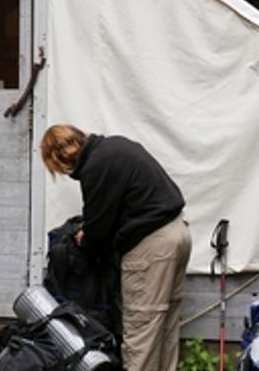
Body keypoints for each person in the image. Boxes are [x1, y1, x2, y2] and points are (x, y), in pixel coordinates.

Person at [40, 124, 191, 371]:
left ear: (61, 158)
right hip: (178, 232)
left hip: (152, 246)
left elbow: (98, 230)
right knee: (164, 329)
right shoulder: (116, 146)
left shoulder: (96, 167)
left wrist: (84, 237)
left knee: (140, 332)